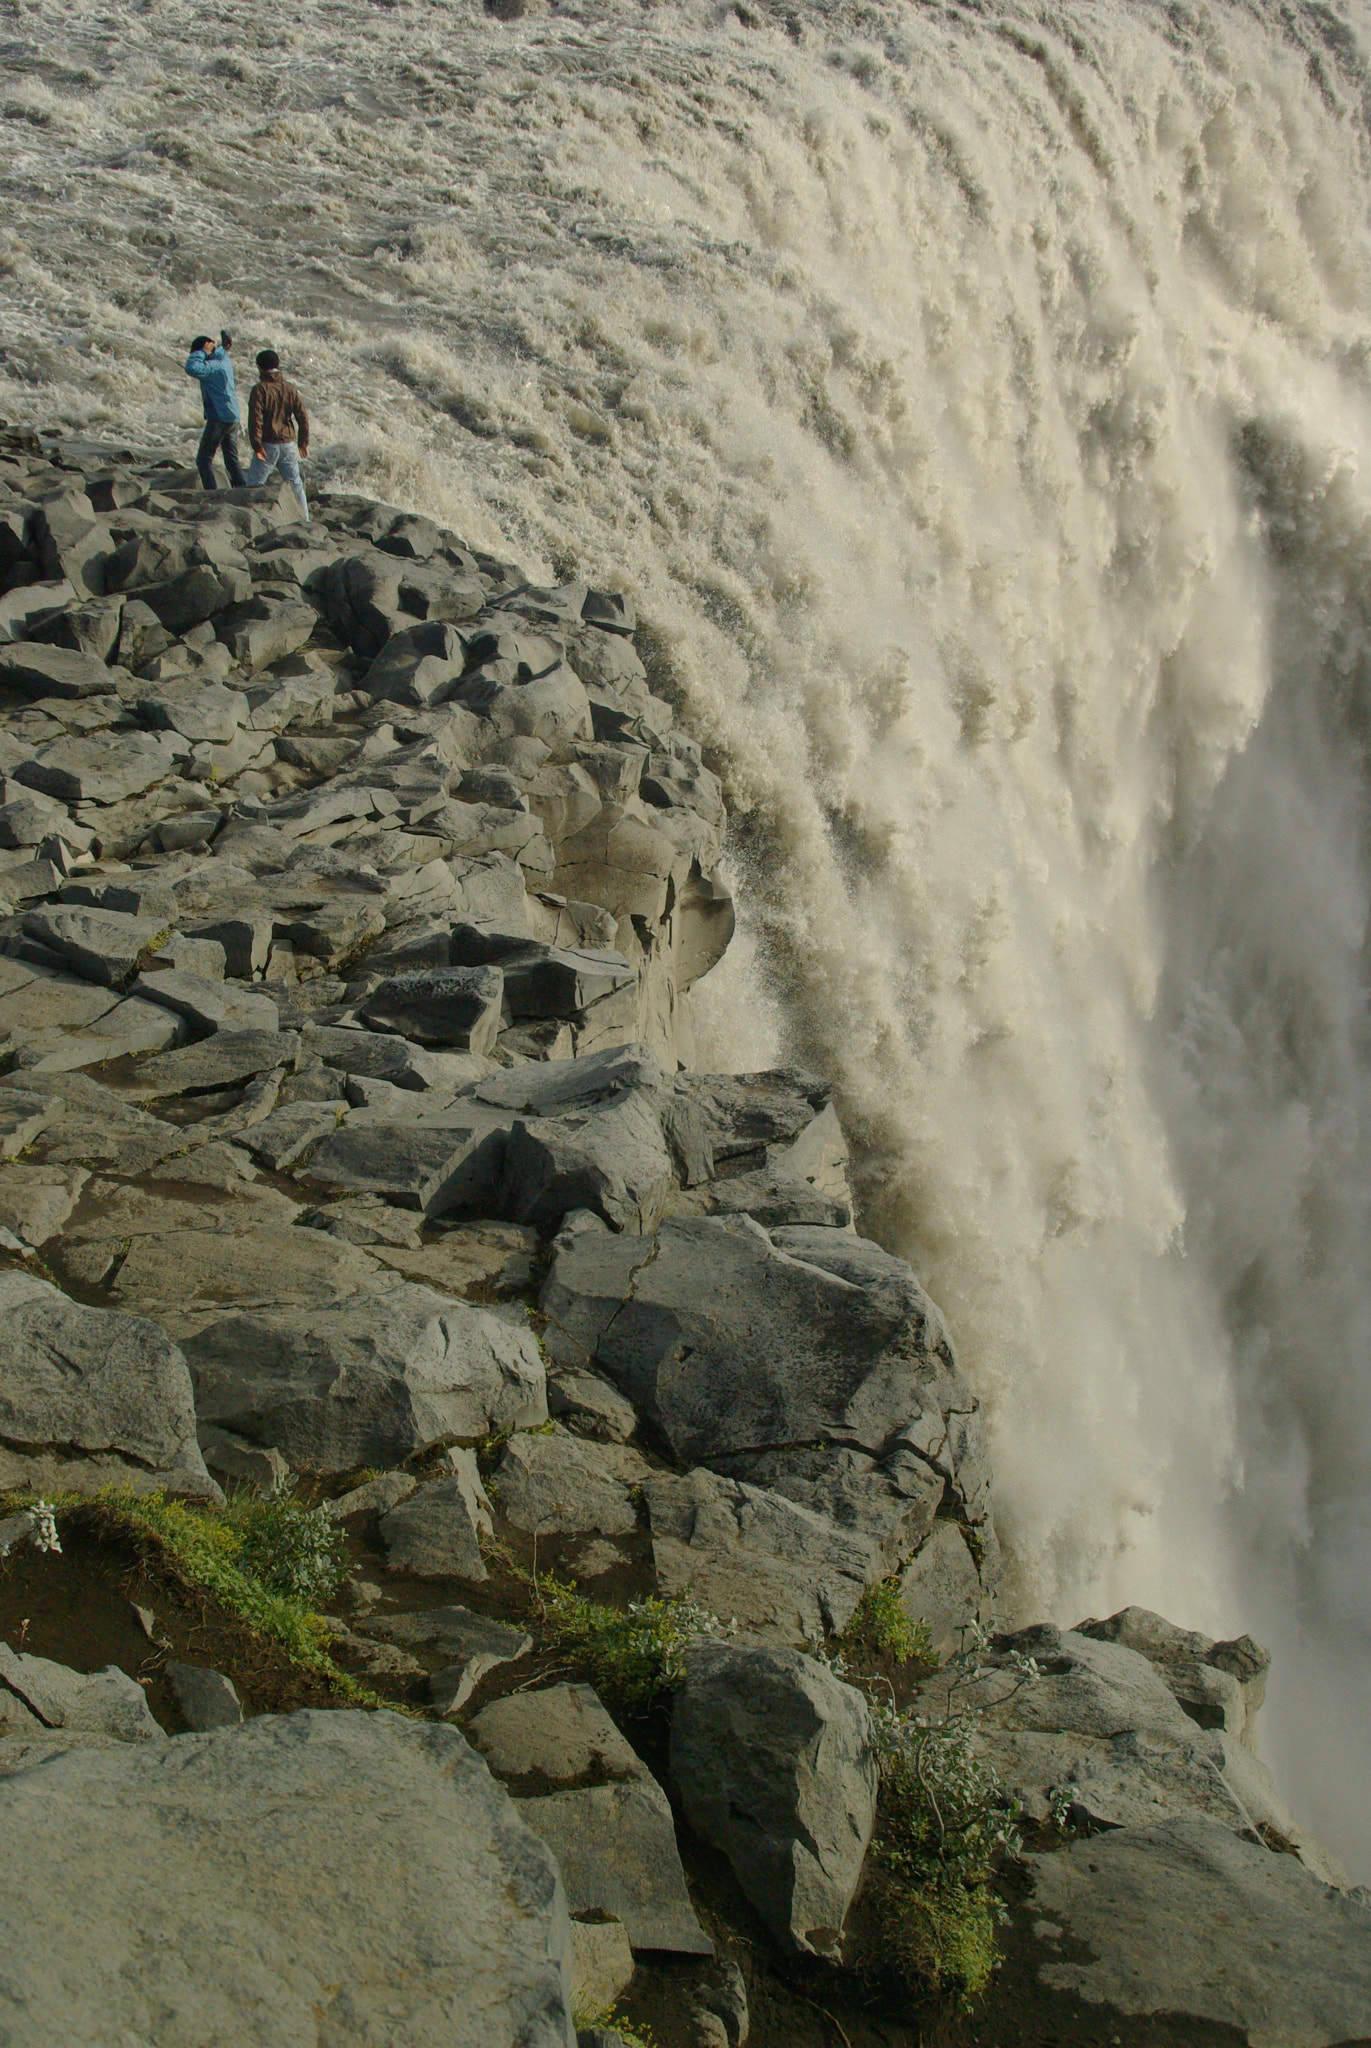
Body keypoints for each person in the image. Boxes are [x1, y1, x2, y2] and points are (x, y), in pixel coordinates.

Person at [246, 349, 310, 520]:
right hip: (288, 443)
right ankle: (306, 519)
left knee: (254, 484)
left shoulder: (259, 390)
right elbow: (302, 416)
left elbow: (255, 420)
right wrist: (303, 442)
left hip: (268, 444)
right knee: (295, 484)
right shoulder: (289, 388)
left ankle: (251, 519)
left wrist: (256, 445)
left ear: (259, 367)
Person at [183, 330, 246, 490]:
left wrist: (202, 352)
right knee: (231, 459)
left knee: (203, 460)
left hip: (220, 416)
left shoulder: (214, 364)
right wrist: (221, 347)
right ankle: (243, 490)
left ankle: (211, 493)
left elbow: (192, 368)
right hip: (232, 415)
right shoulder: (222, 358)